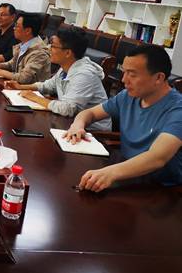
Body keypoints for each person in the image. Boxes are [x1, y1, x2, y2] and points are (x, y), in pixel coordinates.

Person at [65, 44, 182, 192]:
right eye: (124, 72)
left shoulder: (177, 109)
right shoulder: (128, 96)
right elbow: (90, 113)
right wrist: (78, 125)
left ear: (159, 77)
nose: (123, 80)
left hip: (159, 188)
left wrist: (111, 173)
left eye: (132, 74)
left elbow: (157, 158)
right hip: (127, 175)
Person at [5, 26, 111, 130]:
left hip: (92, 132)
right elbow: (48, 85)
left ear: (68, 53)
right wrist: (20, 87)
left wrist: (35, 98)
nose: (48, 48)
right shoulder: (66, 66)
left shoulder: (85, 75)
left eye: (53, 46)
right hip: (68, 123)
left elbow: (67, 109)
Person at [0, 12, 50, 84]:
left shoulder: (39, 52)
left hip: (30, 89)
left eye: (17, 26)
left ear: (28, 31)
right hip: (18, 87)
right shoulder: (23, 44)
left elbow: (24, 78)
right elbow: (12, 64)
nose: (14, 28)